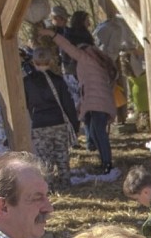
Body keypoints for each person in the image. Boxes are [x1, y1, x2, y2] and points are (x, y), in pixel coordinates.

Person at [40, 27, 117, 175]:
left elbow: (66, 46)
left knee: (98, 133)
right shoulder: (97, 57)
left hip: (96, 101)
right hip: (99, 99)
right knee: (96, 132)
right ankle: (105, 162)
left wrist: (51, 34)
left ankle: (107, 164)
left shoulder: (85, 56)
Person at [23, 46, 79, 191]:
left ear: (34, 62)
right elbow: (68, 103)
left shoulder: (27, 82)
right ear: (50, 61)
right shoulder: (58, 80)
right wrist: (75, 124)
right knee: (62, 154)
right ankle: (65, 183)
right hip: (58, 121)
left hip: (38, 123)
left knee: (43, 158)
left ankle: (49, 185)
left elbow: (26, 105)